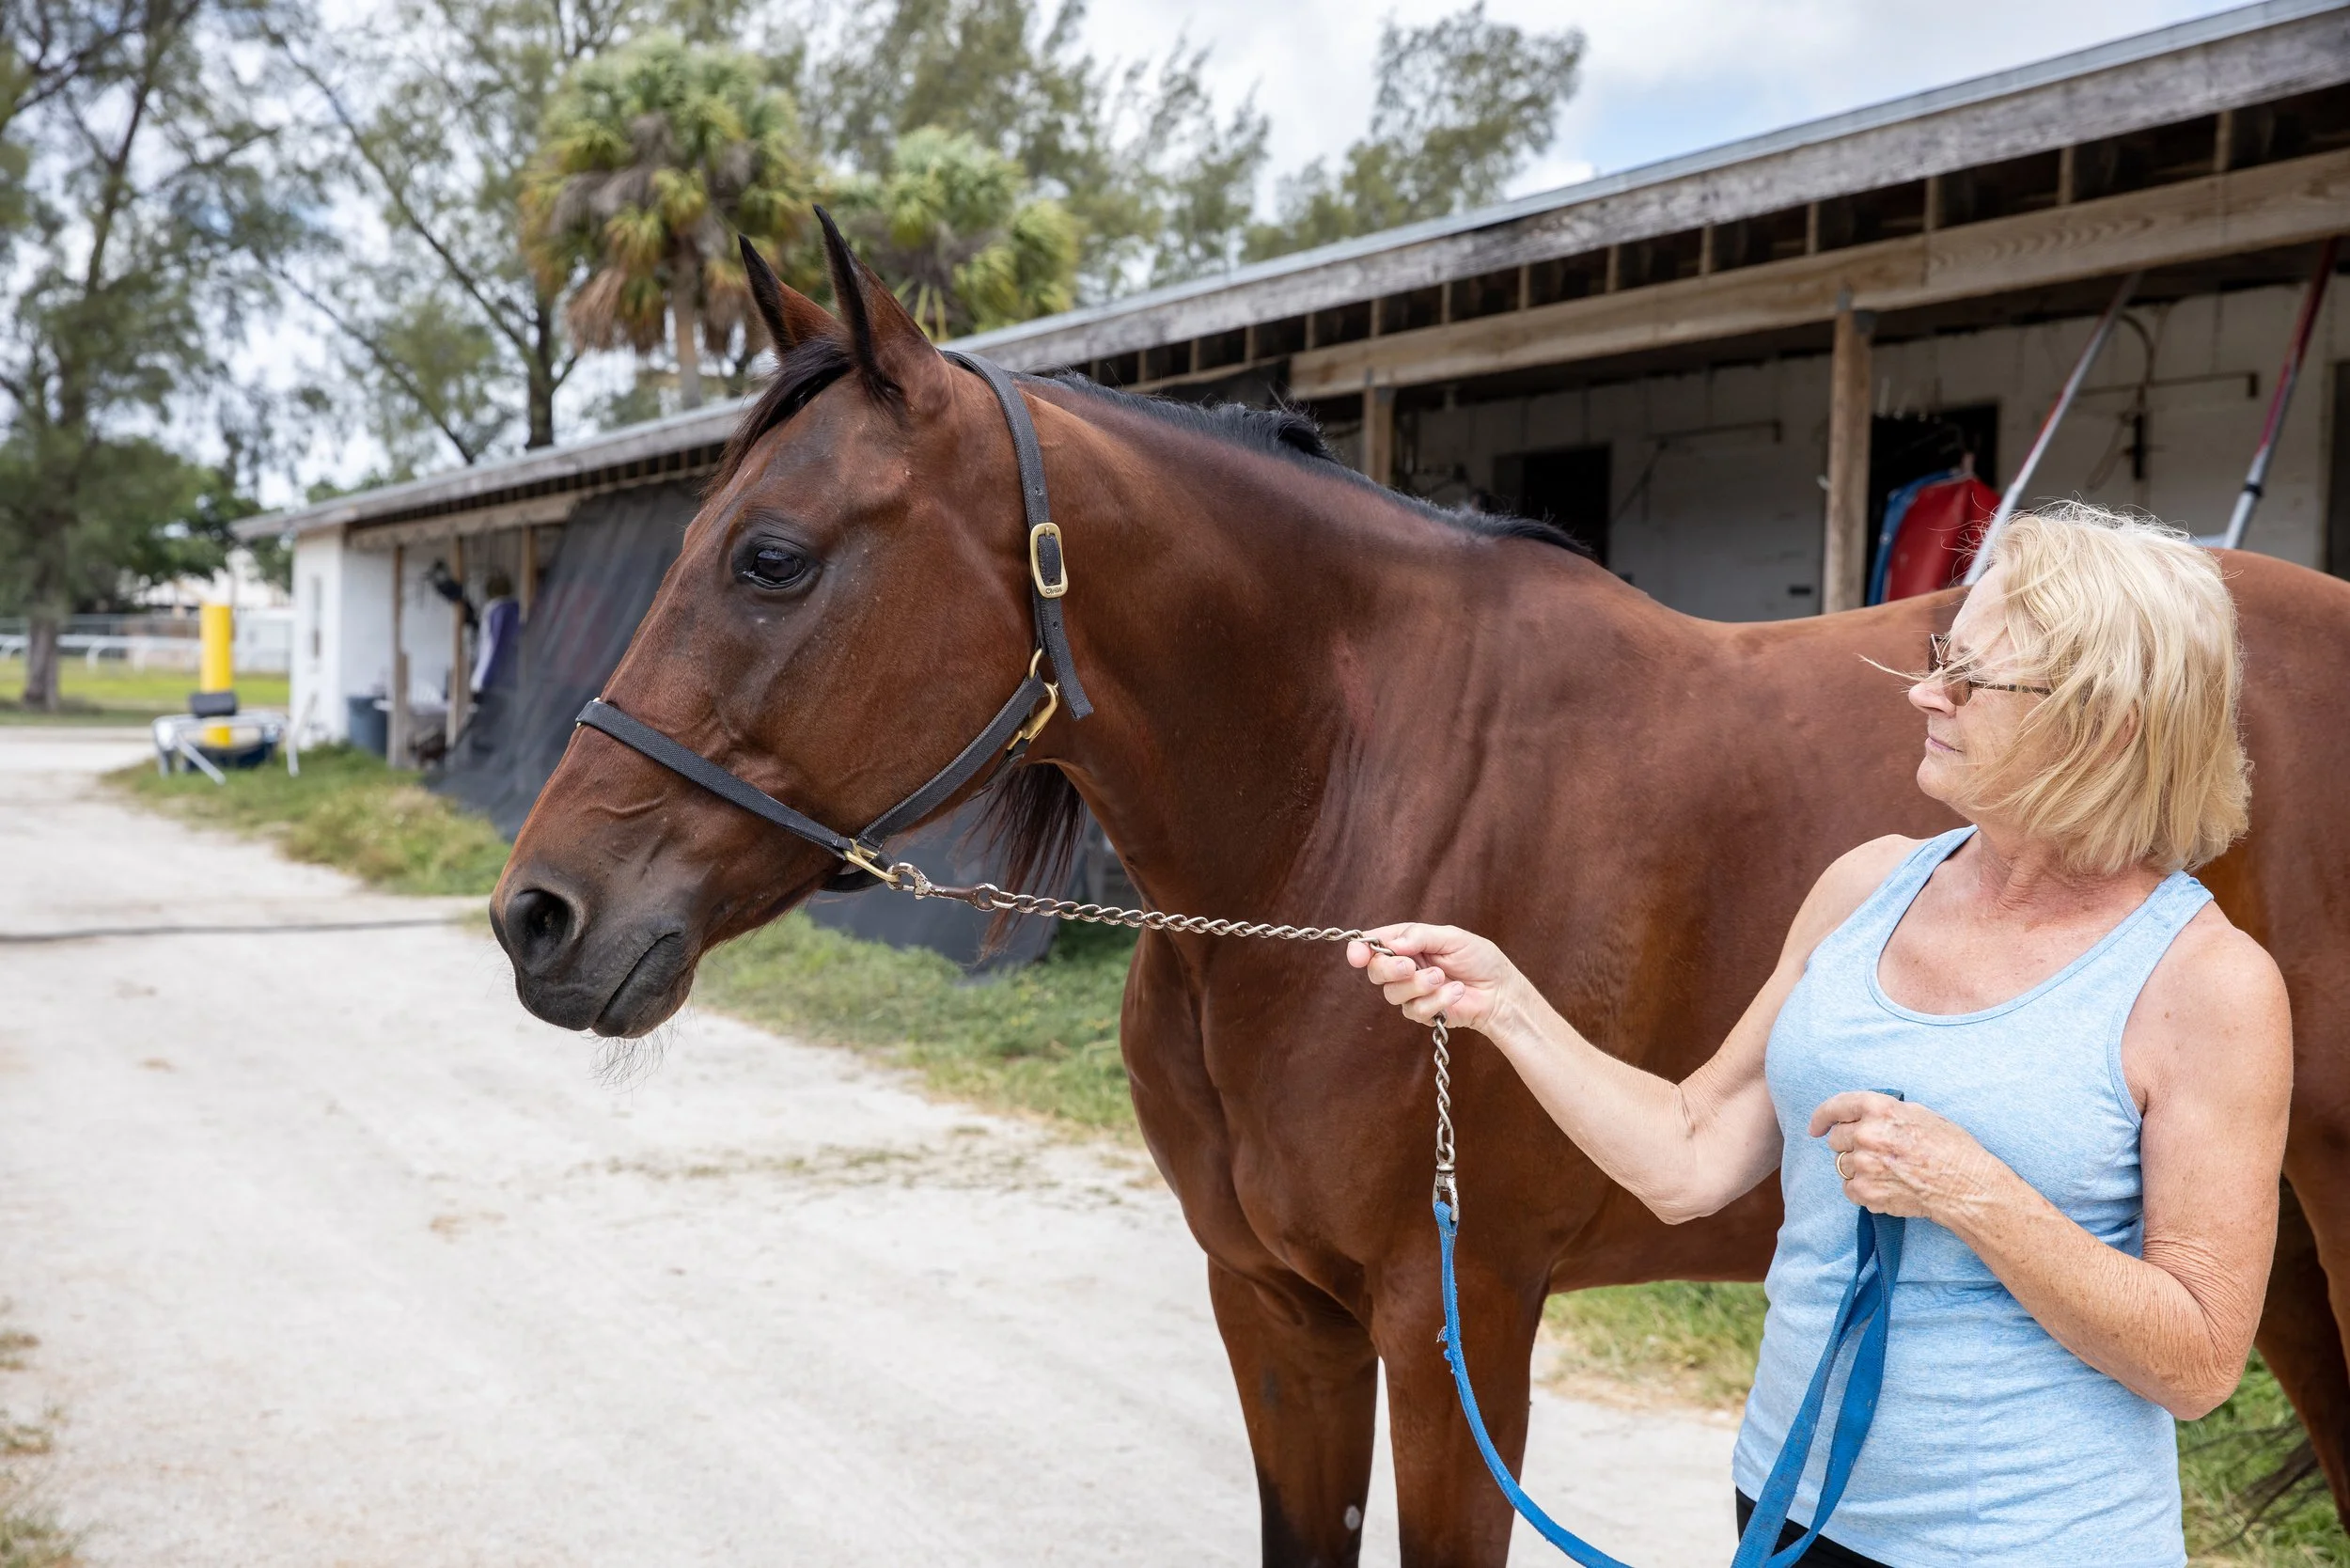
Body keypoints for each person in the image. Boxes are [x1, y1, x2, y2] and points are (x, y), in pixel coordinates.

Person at [1350, 504, 2290, 1568]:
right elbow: (1690, 1153)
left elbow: (2198, 1363)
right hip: (1784, 1509)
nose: (1926, 694)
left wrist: (1974, 1194)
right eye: (1941, 657)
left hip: (2028, 1543)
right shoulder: (1864, 888)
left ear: (2106, 725)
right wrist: (1503, 1004)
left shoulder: (2206, 986)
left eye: (1973, 680)